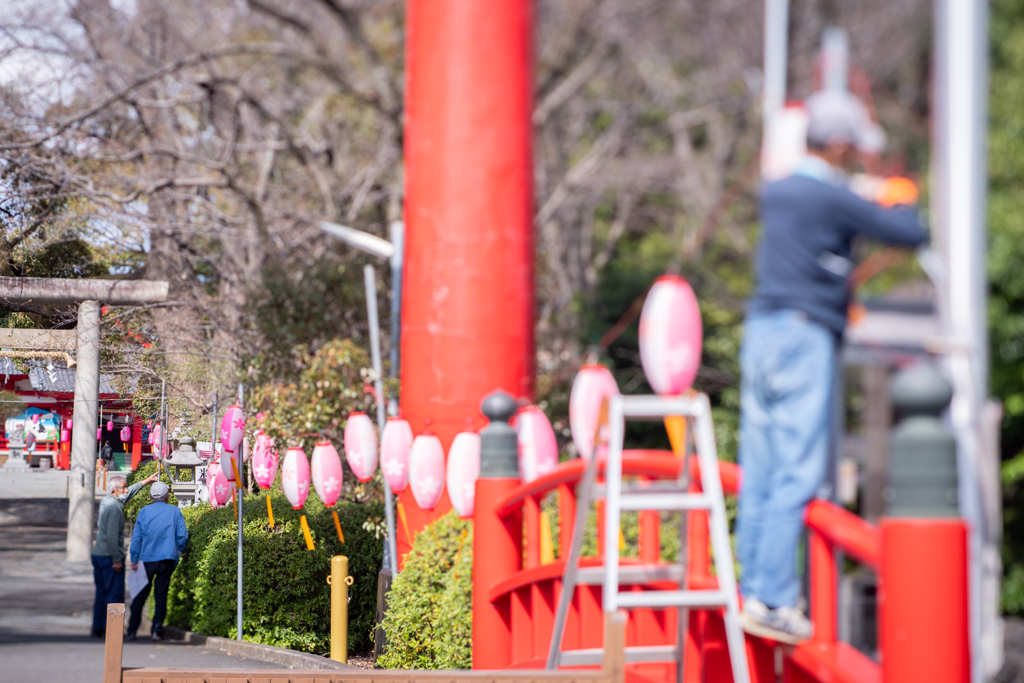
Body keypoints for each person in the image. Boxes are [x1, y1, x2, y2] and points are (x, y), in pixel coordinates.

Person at [736, 89, 928, 643]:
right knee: (798, 470)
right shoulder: (832, 197)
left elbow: (838, 206)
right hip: (804, 337)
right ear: (841, 142)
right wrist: (896, 194)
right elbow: (909, 232)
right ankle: (773, 599)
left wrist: (862, 193)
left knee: (763, 468)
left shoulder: (780, 190)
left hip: (764, 330)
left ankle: (752, 588)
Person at [91, 472, 159, 637]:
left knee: (101, 593)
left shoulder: (108, 501)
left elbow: (129, 494)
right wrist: (116, 559)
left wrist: (145, 482)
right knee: (115, 594)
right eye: (123, 488)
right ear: (115, 491)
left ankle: (98, 627)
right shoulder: (114, 509)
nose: (126, 490)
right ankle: (112, 630)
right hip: (109, 556)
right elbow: (112, 537)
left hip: (98, 554)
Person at [127, 481, 188, 641]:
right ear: (167, 496)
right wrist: (179, 550)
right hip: (167, 558)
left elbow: (137, 538)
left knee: (140, 595)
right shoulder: (175, 511)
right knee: (161, 594)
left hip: (147, 558)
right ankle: (156, 630)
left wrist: (134, 558)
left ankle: (132, 631)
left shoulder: (144, 512)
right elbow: (182, 536)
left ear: (150, 496)